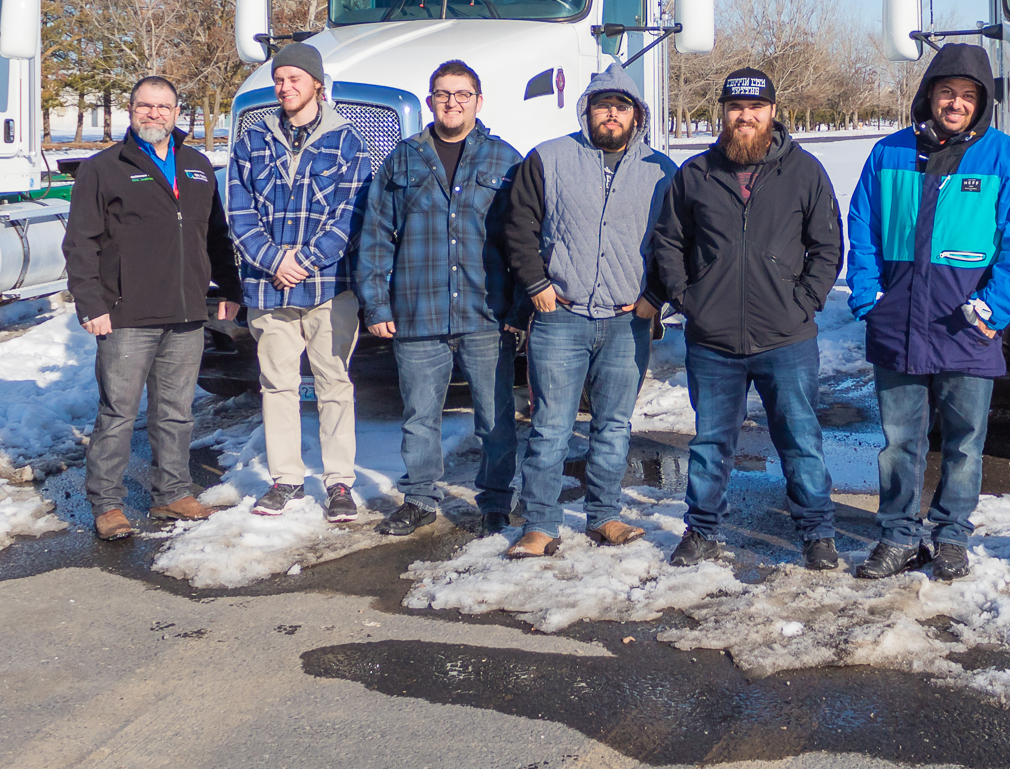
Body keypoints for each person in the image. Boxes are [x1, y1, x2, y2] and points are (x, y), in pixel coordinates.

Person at [844, 44, 1010, 581]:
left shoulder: (1008, 159)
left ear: (981, 104)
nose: (955, 104)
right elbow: (861, 226)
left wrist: (995, 306)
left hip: (968, 326)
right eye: (946, 92)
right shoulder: (888, 153)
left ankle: (951, 535)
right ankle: (897, 535)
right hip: (899, 322)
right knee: (899, 443)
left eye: (967, 96)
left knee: (963, 443)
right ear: (928, 96)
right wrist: (868, 295)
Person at [648, 68, 844, 571]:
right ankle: (703, 529)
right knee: (712, 441)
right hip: (713, 340)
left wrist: (806, 300)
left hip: (786, 338)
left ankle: (817, 534)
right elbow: (669, 243)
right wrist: (686, 298)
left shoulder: (805, 171)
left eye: (755, 108)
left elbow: (827, 246)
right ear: (724, 113)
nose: (745, 117)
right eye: (736, 107)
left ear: (773, 112)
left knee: (800, 439)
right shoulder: (696, 174)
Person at [501, 64, 676, 558]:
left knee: (614, 425)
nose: (611, 115)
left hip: (627, 321)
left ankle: (604, 515)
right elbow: (519, 225)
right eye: (603, 105)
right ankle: (540, 523)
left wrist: (654, 297)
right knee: (551, 425)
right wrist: (536, 283)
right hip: (561, 316)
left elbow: (675, 241)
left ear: (636, 115)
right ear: (587, 110)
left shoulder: (661, 170)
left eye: (622, 107)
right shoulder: (549, 158)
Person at [64, 75, 242, 541]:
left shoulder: (198, 165)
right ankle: (107, 504)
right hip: (125, 314)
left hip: (185, 312)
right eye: (145, 106)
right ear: (131, 110)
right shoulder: (103, 168)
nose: (154, 114)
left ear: (177, 112)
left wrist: (229, 288)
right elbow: (80, 243)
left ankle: (173, 493)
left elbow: (215, 236)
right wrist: (91, 304)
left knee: (176, 411)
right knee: (118, 413)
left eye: (163, 107)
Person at [356, 60, 525, 537]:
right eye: (443, 94)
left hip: (484, 314)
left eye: (462, 94)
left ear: (478, 100)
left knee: (495, 420)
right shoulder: (402, 159)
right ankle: (420, 498)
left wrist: (518, 310)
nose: (452, 102)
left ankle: (494, 501)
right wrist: (377, 304)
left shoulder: (504, 159)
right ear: (430, 100)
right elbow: (375, 236)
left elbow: (524, 238)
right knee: (419, 418)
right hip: (417, 313)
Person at [225, 42, 376, 521]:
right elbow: (238, 207)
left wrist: (305, 260)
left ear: (316, 84)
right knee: (277, 385)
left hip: (329, 286)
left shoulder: (347, 142)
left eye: (294, 78)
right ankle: (286, 479)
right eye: (279, 79)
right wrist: (272, 259)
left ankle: (338, 484)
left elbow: (351, 214)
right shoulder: (253, 140)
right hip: (268, 286)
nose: (284, 87)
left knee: (334, 383)